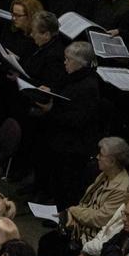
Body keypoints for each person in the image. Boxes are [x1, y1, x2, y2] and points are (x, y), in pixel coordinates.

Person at [38, 136, 129, 256]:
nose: (97, 157)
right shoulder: (105, 175)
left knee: (51, 249)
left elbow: (100, 218)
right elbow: (86, 202)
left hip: (91, 237)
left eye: (101, 154)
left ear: (112, 161)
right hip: (80, 228)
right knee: (46, 242)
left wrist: (72, 211)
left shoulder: (121, 189)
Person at [33, 43, 105, 208]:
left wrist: (51, 109)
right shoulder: (73, 76)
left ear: (80, 63)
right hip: (62, 139)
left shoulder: (88, 86)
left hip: (74, 145)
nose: (65, 62)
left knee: (69, 185)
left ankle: (65, 216)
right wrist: (50, 90)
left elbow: (78, 119)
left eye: (68, 60)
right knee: (59, 180)